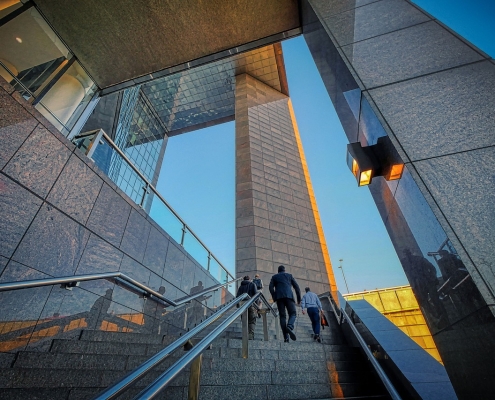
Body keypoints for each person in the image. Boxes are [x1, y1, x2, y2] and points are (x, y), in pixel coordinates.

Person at [269, 265, 301, 342]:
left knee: (282, 316)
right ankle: (290, 326)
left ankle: (286, 337)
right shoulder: (289, 276)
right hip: (289, 296)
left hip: (279, 298)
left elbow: (270, 287)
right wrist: (299, 299)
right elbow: (297, 287)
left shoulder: (274, 277)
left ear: (278, 270)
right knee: (293, 313)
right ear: (284, 270)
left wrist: (274, 297)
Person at [236, 275, 258, 340]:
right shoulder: (252, 284)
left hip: (242, 306)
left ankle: (245, 335)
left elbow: (237, 296)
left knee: (244, 320)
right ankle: (250, 335)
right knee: (252, 320)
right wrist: (256, 306)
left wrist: (238, 305)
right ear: (249, 279)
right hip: (251, 304)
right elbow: (256, 295)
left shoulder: (240, 287)